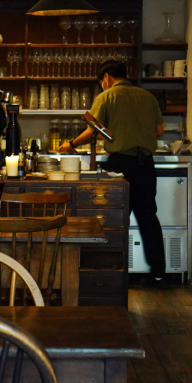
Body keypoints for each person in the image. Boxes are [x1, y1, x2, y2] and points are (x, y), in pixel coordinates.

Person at [59, 60, 166, 282]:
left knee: (116, 217)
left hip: (120, 164)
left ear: (106, 77)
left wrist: (71, 144)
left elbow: (92, 130)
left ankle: (112, 270)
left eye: (102, 82)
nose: (103, 85)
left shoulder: (107, 97)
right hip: (145, 164)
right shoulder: (147, 97)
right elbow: (159, 131)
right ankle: (159, 274)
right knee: (148, 217)